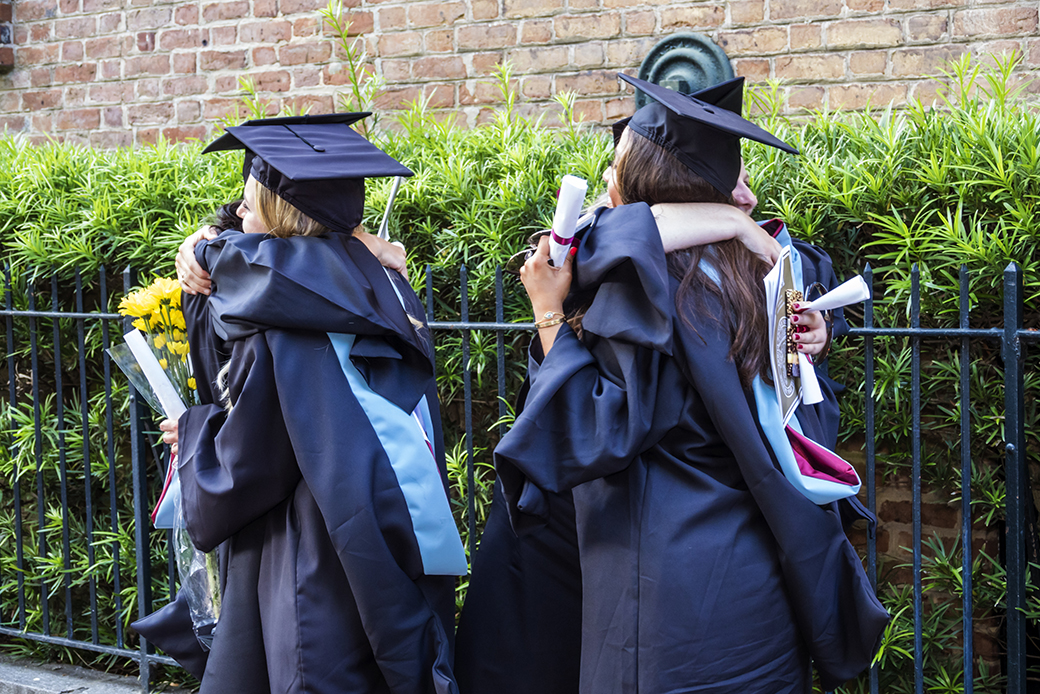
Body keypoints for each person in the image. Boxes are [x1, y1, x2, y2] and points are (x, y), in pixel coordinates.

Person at [489, 75, 888, 693]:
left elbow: (593, 432)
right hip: (761, 595)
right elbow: (803, 425)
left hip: (667, 613)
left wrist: (548, 313)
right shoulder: (759, 281)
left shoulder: (643, 292)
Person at [135, 113, 467, 694]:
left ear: (280, 220)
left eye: (247, 204)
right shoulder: (381, 288)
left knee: (304, 666)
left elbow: (252, 458)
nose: (236, 215)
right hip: (371, 527)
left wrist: (192, 434)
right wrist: (203, 244)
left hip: (298, 539)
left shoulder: (273, 318)